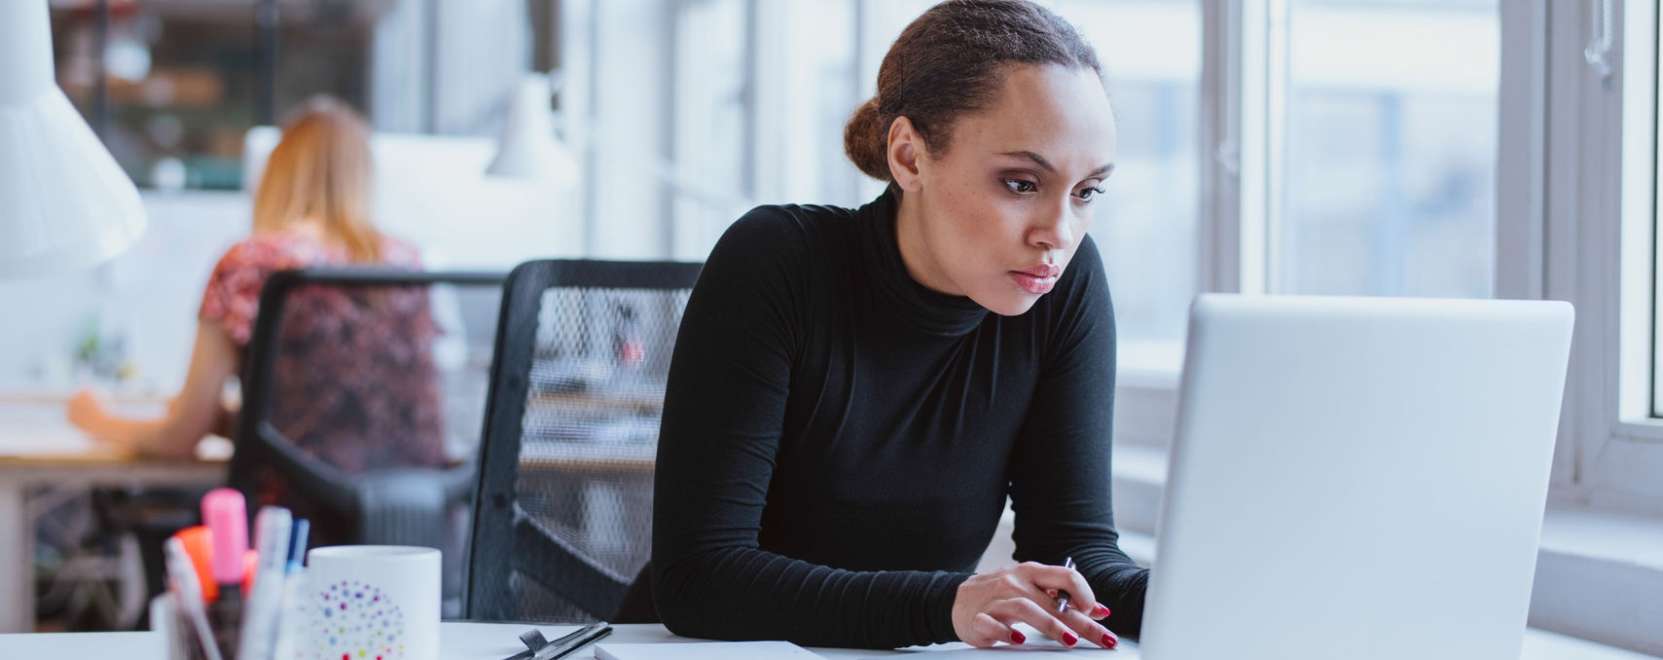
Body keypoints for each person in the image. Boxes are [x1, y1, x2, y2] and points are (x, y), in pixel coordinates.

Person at [649, 0, 1143, 651]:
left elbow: (1075, 556)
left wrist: (1232, 590)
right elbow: (697, 580)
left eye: (1085, 192)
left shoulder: (1063, 286)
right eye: (1021, 183)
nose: (1058, 233)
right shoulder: (776, 262)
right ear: (908, 157)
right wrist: (943, 606)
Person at [67, 96, 441, 474]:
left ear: (278, 174)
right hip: (415, 517)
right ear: (364, 177)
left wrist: (95, 419)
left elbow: (180, 437)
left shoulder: (250, 264)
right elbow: (349, 422)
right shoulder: (406, 262)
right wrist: (229, 420)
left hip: (290, 522)